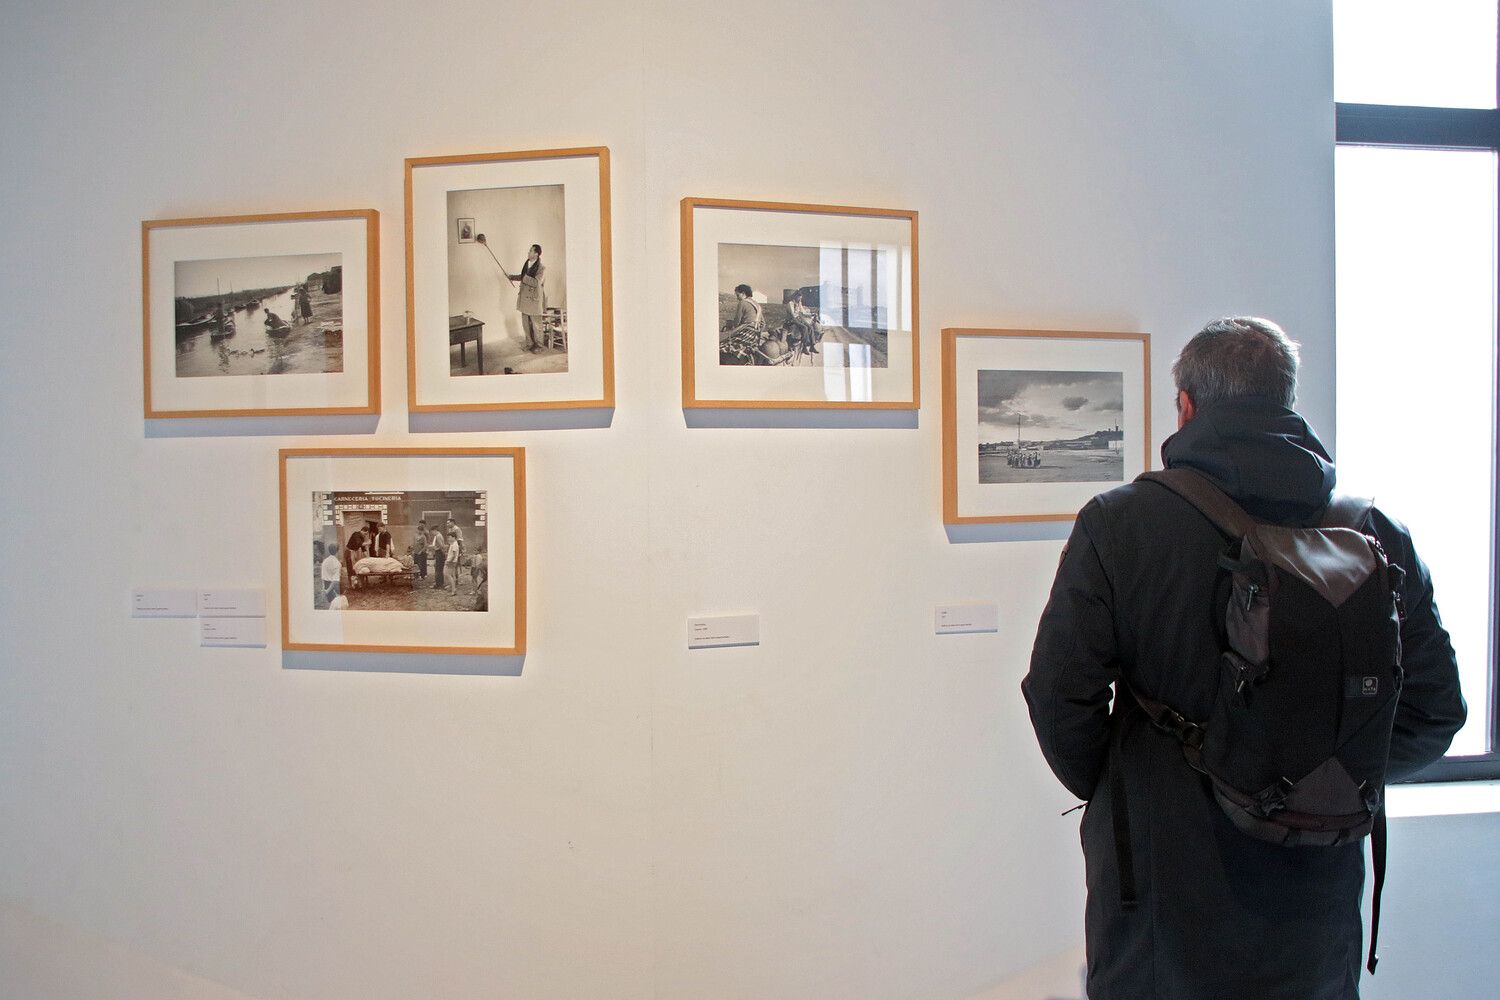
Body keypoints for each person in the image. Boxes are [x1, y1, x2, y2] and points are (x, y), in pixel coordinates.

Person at [1021, 317, 1467, 1000]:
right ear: (1287, 401)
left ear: (1186, 406)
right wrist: (1328, 771)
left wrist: (1123, 785)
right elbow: (1435, 714)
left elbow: (1058, 694)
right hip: (1315, 898)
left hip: (1164, 886)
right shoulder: (1375, 533)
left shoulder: (1121, 523)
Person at [503, 244, 547, 352]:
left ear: (536, 254)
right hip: (524, 299)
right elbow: (523, 277)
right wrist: (511, 277)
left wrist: (523, 277)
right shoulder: (527, 264)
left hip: (534, 300)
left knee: (536, 325)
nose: (528, 252)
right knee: (526, 324)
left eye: (530, 251)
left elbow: (536, 282)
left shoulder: (542, 268)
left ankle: (539, 346)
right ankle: (529, 343)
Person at [319, 542, 343, 607]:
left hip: (326, 585)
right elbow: (335, 580)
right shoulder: (337, 563)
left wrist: (324, 589)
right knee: (336, 606)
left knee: (331, 605)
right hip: (333, 588)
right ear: (337, 551)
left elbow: (323, 576)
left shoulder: (325, 561)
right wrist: (327, 591)